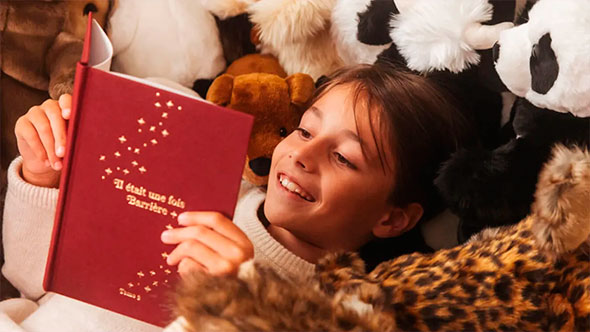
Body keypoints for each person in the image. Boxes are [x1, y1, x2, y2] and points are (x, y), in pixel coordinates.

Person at [1, 63, 472, 331]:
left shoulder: (333, 315)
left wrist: (238, 301)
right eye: (304, 129)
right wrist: (44, 177)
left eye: (345, 158)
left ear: (392, 220)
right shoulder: (201, 183)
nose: (302, 154)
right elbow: (30, 280)